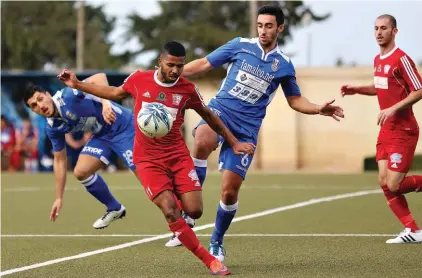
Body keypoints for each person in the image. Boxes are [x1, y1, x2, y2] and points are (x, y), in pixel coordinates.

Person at [58, 40, 256, 276]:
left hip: (178, 156)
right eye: (171, 65)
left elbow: (210, 116)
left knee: (194, 211)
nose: (175, 70)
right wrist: (77, 83)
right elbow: (114, 92)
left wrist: (233, 142)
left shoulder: (187, 90)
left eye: (180, 66)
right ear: (160, 62)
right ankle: (210, 261)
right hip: (147, 160)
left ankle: (181, 214)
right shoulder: (139, 80)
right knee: (170, 210)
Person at [164, 5, 345, 257]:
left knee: (229, 191)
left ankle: (216, 241)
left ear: (280, 28)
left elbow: (295, 100)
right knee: (202, 139)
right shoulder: (240, 45)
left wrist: (317, 109)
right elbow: (205, 63)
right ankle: (189, 213)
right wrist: (173, 73)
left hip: (246, 129)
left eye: (269, 26)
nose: (263, 30)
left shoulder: (283, 65)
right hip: (220, 111)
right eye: (260, 25)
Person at [341, 14, 422, 244]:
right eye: (376, 28)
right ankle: (414, 231)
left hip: (404, 130)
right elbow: (380, 87)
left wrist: (392, 109)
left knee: (395, 184)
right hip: (386, 130)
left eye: (384, 28)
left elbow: (419, 89)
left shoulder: (401, 59)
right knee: (384, 183)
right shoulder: (378, 59)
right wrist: (357, 89)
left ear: (394, 31)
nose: (379, 32)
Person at [23, 73, 138, 229]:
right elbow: (59, 160)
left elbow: (99, 77)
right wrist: (58, 198)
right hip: (102, 135)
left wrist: (106, 103)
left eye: (40, 99)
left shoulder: (68, 95)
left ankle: (180, 218)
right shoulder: (53, 127)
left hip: (122, 126)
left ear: (48, 95)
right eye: (34, 105)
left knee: (143, 174)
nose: (40, 105)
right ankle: (114, 208)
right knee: (81, 172)